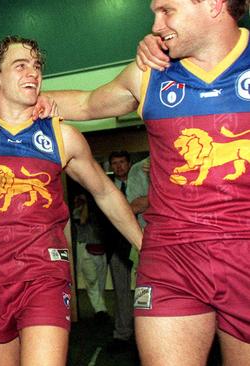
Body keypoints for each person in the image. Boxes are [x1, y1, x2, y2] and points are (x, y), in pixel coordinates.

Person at [0, 36, 142, 366]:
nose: (32, 72)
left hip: (43, 275)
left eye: (36, 66)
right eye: (20, 66)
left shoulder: (62, 136)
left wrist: (144, 245)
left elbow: (105, 192)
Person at [46, 1, 250, 363]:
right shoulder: (150, 73)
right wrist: (4, 104)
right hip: (172, 258)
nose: (155, 25)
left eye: (166, 10)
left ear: (215, 4)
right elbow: (88, 103)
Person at [105, 150, 135, 349]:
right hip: (118, 248)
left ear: (129, 163)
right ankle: (122, 334)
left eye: (122, 162)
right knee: (121, 293)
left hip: (143, 244)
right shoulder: (106, 188)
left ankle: (148, 332)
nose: (118, 167)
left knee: (149, 292)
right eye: (114, 163)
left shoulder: (142, 181)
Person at [72, 194, 109, 322]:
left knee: (101, 281)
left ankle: (101, 308)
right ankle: (100, 310)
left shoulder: (100, 208)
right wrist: (86, 204)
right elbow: (82, 220)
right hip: (85, 249)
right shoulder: (77, 210)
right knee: (92, 281)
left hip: (101, 250)